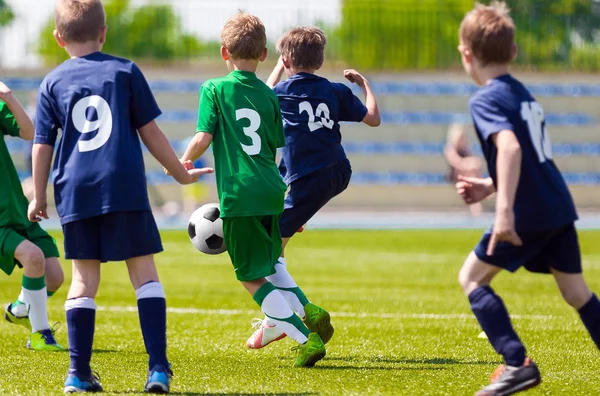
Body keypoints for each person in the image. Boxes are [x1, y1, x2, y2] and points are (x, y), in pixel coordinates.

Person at [28, 0, 212, 393]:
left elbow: (42, 145)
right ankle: (158, 370)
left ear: (58, 37)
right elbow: (151, 133)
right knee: (143, 273)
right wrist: (180, 173)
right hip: (123, 185)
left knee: (83, 279)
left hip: (75, 189)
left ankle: (78, 374)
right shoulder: (125, 71)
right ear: (104, 32)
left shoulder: (52, 82)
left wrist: (38, 194)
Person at [456, 3, 600, 395]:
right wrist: (489, 185)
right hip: (557, 206)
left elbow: (513, 149)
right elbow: (530, 158)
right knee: (576, 292)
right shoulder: (522, 93)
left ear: (467, 54)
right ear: (513, 53)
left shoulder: (484, 99)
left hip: (527, 213)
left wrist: (502, 212)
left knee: (471, 277)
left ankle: (516, 363)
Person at [176, 12, 326, 368]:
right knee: (270, 261)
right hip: (272, 189)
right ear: (262, 55)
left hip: (239, 193)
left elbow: (202, 137)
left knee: (248, 274)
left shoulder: (214, 88)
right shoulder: (269, 95)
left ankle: (305, 338)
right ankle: (308, 308)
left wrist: (182, 161)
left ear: (223, 51)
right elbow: (274, 145)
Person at [245, 26, 380, 349]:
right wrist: (365, 85)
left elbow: (266, 90)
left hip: (307, 178)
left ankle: (280, 319)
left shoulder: (280, 93)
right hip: (337, 171)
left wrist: (279, 65)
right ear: (320, 60)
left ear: (287, 59)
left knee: (265, 251)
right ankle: (276, 319)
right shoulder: (335, 90)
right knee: (277, 241)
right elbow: (373, 118)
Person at [0, 81, 65, 351]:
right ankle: (40, 334)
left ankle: (19, 309)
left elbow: (29, 132)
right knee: (33, 257)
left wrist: (9, 98)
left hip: (14, 208)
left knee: (54, 277)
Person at [444, 123, 483, 216]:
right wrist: (471, 164)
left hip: (466, 175)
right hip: (455, 176)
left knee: (472, 174)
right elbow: (457, 163)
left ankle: (479, 190)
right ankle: (477, 207)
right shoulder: (450, 149)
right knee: (471, 173)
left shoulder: (465, 149)